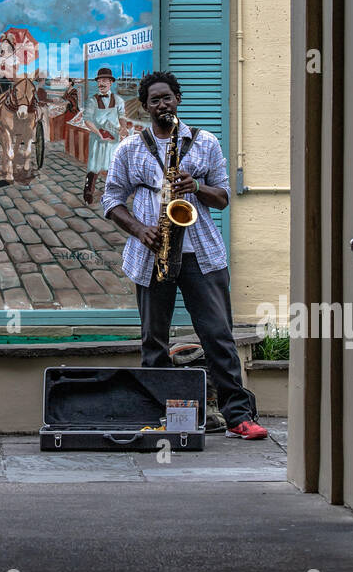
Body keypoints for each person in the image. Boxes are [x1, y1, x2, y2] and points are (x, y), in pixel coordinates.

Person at [100, 69, 268, 440]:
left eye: (168, 97)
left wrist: (199, 187)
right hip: (151, 253)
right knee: (153, 341)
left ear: (178, 100)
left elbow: (223, 197)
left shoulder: (205, 142)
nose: (163, 104)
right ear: (144, 107)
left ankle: (238, 416)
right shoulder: (129, 147)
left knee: (218, 337)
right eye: (155, 100)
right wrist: (140, 229)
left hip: (201, 254)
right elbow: (110, 199)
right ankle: (160, 414)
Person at [81, 66, 129, 206]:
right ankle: (88, 192)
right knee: (94, 166)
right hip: (97, 138)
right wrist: (99, 132)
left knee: (112, 165)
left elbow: (122, 116)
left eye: (104, 81)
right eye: (99, 81)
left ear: (110, 83)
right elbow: (87, 119)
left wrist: (124, 128)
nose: (101, 84)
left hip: (113, 138)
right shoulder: (92, 101)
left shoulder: (118, 100)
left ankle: (112, 194)